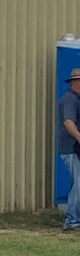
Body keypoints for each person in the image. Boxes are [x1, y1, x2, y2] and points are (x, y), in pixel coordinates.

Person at [58, 68, 80, 230]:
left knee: (77, 183)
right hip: (71, 148)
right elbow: (68, 123)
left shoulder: (75, 99)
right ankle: (72, 221)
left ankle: (74, 218)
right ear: (75, 82)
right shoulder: (70, 100)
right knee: (78, 184)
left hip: (74, 147)